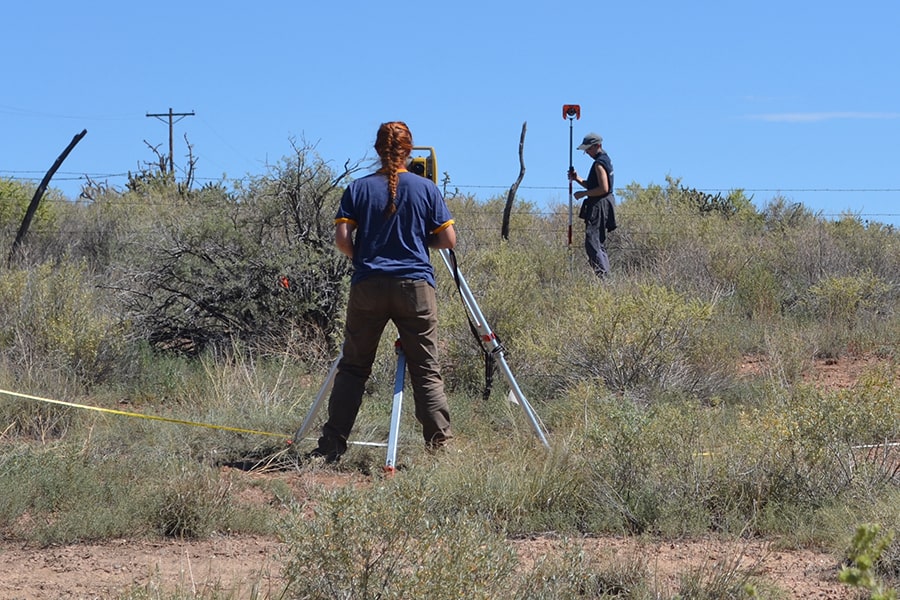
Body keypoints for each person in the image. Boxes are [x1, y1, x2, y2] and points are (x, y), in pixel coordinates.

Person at [308, 121, 457, 463]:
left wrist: (366, 256)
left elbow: (342, 242)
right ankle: (439, 449)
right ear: (410, 151)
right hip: (416, 288)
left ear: (377, 150)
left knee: (354, 368)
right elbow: (448, 240)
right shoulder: (426, 189)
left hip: (368, 286)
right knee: (426, 369)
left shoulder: (357, 189)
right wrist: (420, 243)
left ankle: (332, 446)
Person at [568, 132, 617, 277]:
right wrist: (577, 179)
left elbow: (603, 188)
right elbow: (593, 185)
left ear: (598, 146)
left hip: (599, 205)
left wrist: (583, 194)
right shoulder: (606, 160)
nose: (587, 152)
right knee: (598, 242)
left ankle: (603, 277)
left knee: (592, 241)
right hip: (606, 203)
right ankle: (605, 277)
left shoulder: (599, 164)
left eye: (589, 149)